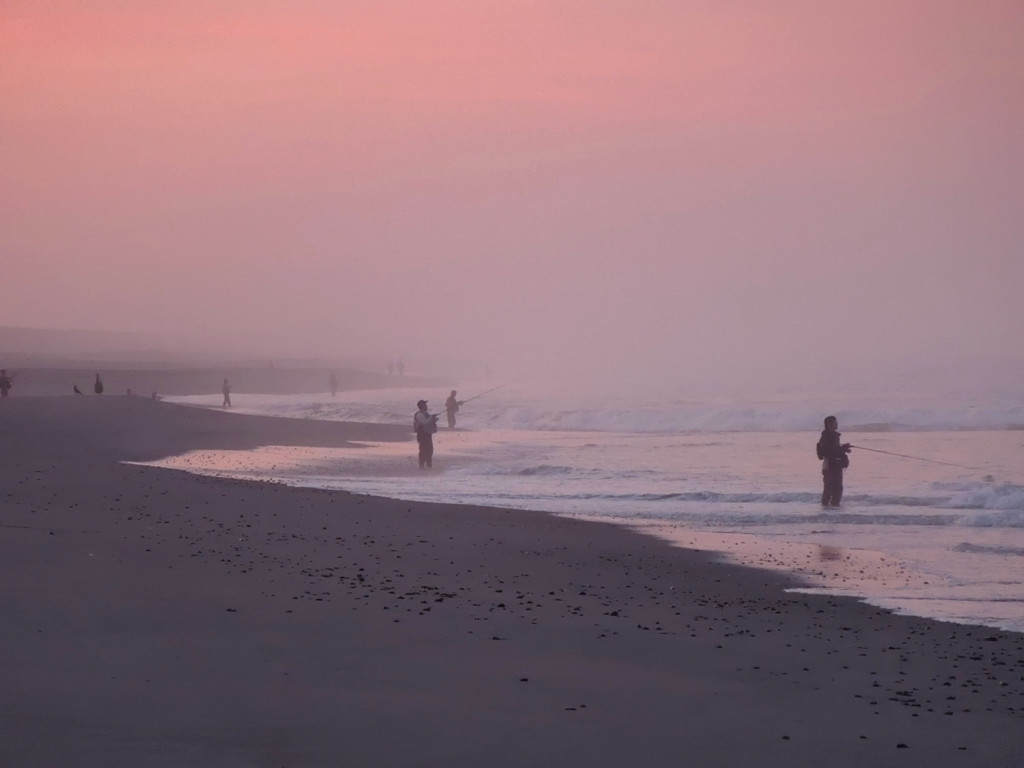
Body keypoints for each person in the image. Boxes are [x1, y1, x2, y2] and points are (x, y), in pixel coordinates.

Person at [816, 415, 851, 508]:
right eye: (835, 422)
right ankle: (826, 510)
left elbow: (833, 449)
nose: (837, 424)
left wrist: (844, 449)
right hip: (830, 466)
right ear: (829, 424)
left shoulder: (832, 436)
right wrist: (843, 448)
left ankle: (833, 509)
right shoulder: (826, 437)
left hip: (835, 465)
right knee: (830, 489)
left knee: (837, 489)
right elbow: (830, 452)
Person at [413, 399, 439, 469]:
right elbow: (424, 423)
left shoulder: (426, 414)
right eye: (425, 404)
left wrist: (434, 418)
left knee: (430, 450)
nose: (426, 405)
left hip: (427, 434)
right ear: (421, 406)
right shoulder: (419, 415)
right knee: (423, 450)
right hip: (422, 435)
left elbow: (429, 421)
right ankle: (422, 465)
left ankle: (428, 465)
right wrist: (431, 418)